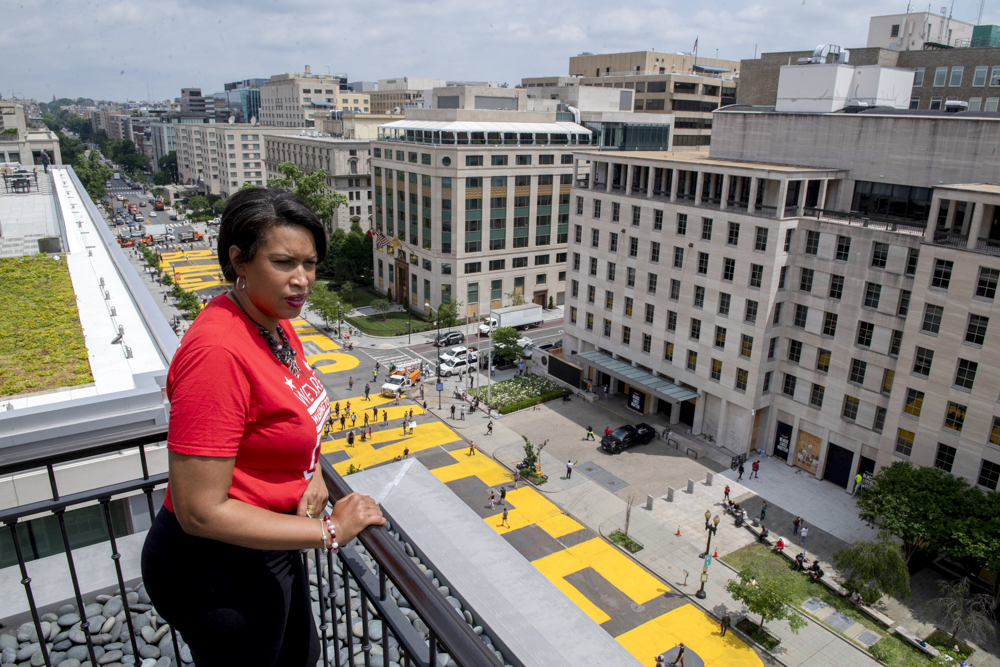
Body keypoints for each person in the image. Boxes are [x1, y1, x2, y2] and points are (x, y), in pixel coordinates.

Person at [140, 187, 384, 667]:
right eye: (283, 262)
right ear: (239, 261)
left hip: (267, 540)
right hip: (214, 565)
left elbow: (284, 415)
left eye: (310, 264)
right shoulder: (219, 353)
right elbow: (200, 511)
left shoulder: (273, 320)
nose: (302, 280)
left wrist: (309, 470)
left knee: (300, 656)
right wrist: (332, 532)